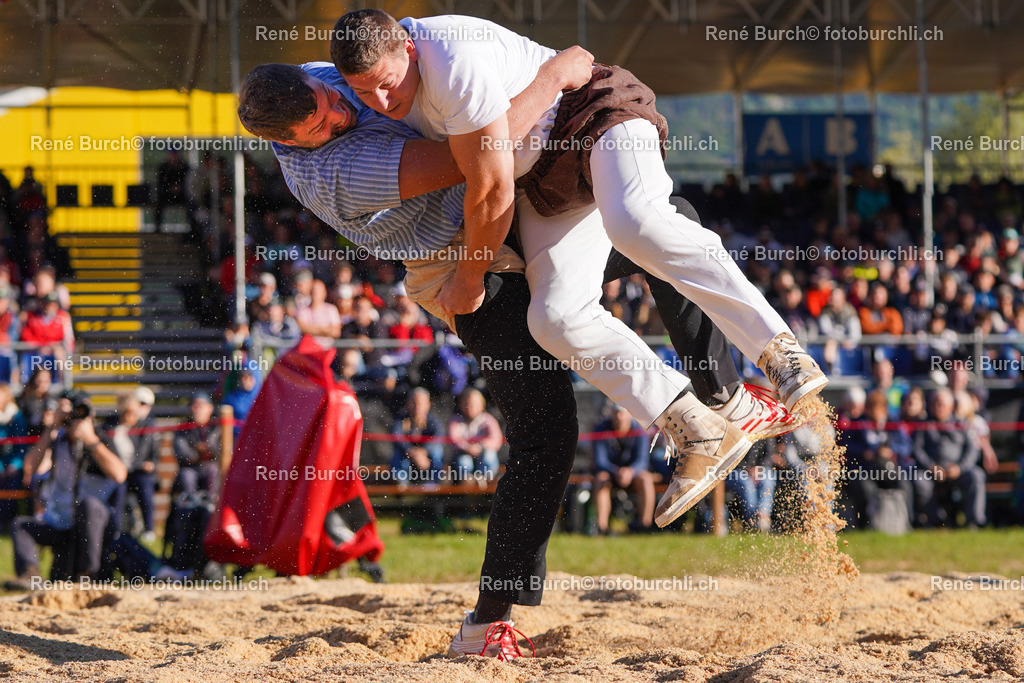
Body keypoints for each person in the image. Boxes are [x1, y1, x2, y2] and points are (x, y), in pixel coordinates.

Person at [236, 56, 798, 661]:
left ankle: (723, 402)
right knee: (545, 435)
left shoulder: (342, 70)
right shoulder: (331, 172)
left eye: (332, 97)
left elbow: (433, 83)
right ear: (287, 143)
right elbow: (476, 155)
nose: (342, 111)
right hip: (466, 268)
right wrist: (551, 79)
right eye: (320, 124)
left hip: (510, 216)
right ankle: (487, 622)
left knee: (668, 221)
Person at [330, 10, 827, 530]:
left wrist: (471, 273)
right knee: (554, 319)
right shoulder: (351, 86)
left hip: (592, 116)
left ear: (408, 48)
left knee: (637, 222)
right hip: (545, 186)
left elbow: (490, 180)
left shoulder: (450, 56)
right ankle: (696, 426)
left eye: (387, 86)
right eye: (365, 94)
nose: (382, 104)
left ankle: (779, 353)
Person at [10, 392, 127, 586]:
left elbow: (120, 474)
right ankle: (30, 576)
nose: (75, 417)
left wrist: (90, 440)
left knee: (88, 505)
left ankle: (88, 575)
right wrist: (51, 427)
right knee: (20, 525)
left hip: (94, 524)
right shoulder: (58, 440)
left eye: (80, 411)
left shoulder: (101, 437)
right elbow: (31, 467)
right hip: (59, 522)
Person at [912, 388, 985, 528]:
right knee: (918, 481)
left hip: (957, 470)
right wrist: (931, 467)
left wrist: (959, 467)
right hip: (931, 470)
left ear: (951, 406)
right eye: (934, 403)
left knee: (976, 476)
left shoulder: (962, 424)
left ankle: (974, 522)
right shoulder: (923, 425)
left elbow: (972, 451)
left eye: (941, 404)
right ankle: (938, 521)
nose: (938, 407)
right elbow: (917, 450)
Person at [591, 404, 655, 534]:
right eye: (616, 413)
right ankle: (602, 528)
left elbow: (642, 460)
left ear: (630, 415)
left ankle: (645, 525)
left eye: (623, 413)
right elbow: (600, 461)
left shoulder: (639, 430)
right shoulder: (600, 429)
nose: (619, 417)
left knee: (646, 478)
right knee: (601, 479)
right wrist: (616, 471)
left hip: (633, 474)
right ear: (611, 414)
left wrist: (630, 471)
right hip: (610, 473)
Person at [448, 388, 503, 485]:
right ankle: (468, 481)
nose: (470, 407)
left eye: (473, 404)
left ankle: (486, 480)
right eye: (466, 403)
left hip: (483, 453)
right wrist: (467, 447)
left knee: (489, 456)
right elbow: (454, 439)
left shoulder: (488, 420)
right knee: (464, 461)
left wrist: (480, 447)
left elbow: (496, 439)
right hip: (464, 453)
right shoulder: (456, 420)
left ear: (481, 405)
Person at [390, 388, 444, 483]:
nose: (417, 407)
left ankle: (433, 482)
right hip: (408, 452)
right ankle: (401, 483)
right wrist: (411, 452)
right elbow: (397, 436)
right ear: (407, 404)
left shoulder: (433, 420)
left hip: (425, 454)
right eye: (413, 403)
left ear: (428, 405)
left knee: (437, 451)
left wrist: (424, 451)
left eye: (421, 403)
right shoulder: (401, 418)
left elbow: (438, 436)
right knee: (397, 454)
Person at [172, 393, 221, 496]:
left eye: (200, 405)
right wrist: (197, 453)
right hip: (191, 467)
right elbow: (181, 452)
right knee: (187, 476)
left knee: (213, 471)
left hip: (211, 467)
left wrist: (208, 450)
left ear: (210, 408)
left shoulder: (217, 428)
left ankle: (211, 505)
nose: (196, 409)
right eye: (193, 405)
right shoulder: (183, 428)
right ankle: (189, 505)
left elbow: (221, 451)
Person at [0, 382, 28, 530]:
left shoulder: (17, 418)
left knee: (13, 484)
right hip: (1, 464)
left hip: (14, 463)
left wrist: (14, 465)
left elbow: (22, 447)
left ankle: (7, 521)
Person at [296, 279, 341, 349]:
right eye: (313, 291)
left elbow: (336, 332)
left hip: (327, 350)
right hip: (309, 351)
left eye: (318, 291)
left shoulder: (332, 309)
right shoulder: (302, 310)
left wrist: (311, 329)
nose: (315, 293)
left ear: (324, 293)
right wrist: (326, 329)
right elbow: (303, 329)